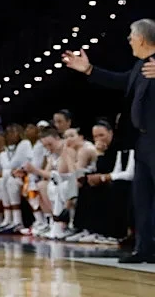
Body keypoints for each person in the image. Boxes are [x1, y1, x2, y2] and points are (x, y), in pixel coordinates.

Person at [65, 20, 155, 262]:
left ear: (143, 39)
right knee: (142, 198)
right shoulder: (139, 66)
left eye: (131, 36)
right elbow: (119, 80)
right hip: (143, 141)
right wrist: (88, 70)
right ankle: (144, 249)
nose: (128, 40)